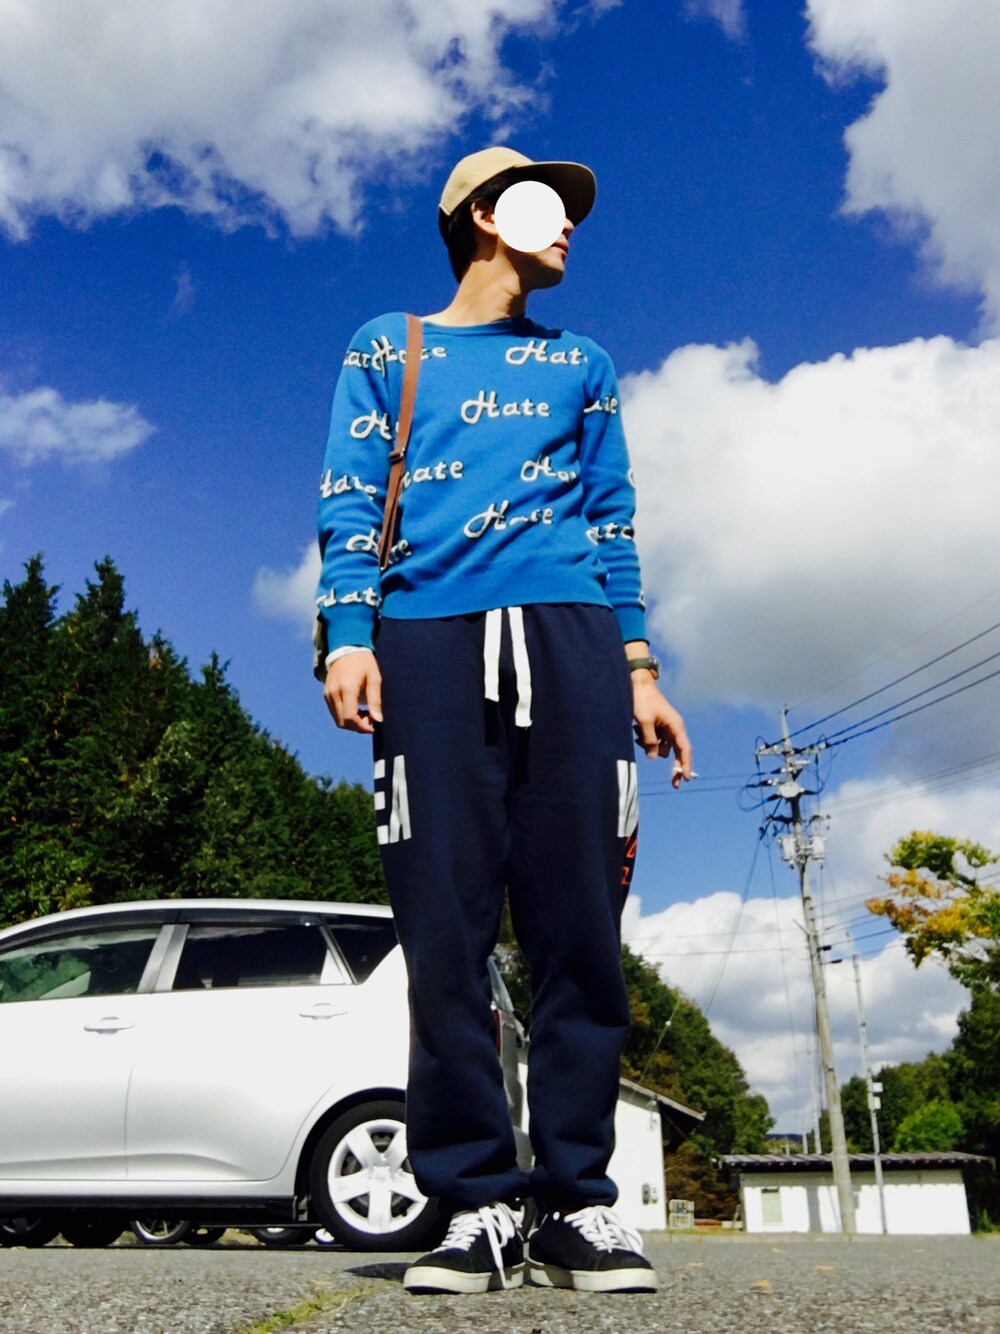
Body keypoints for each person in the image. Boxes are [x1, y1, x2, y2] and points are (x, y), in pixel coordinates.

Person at [315, 146, 691, 1296]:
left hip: (572, 637)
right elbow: (348, 490)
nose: (569, 224)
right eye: (545, 205)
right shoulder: (389, 346)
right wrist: (348, 631)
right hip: (427, 641)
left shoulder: (583, 363)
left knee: (578, 924)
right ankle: (474, 1199)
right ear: (484, 214)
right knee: (445, 929)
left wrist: (638, 665)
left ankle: (577, 1201)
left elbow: (612, 515)